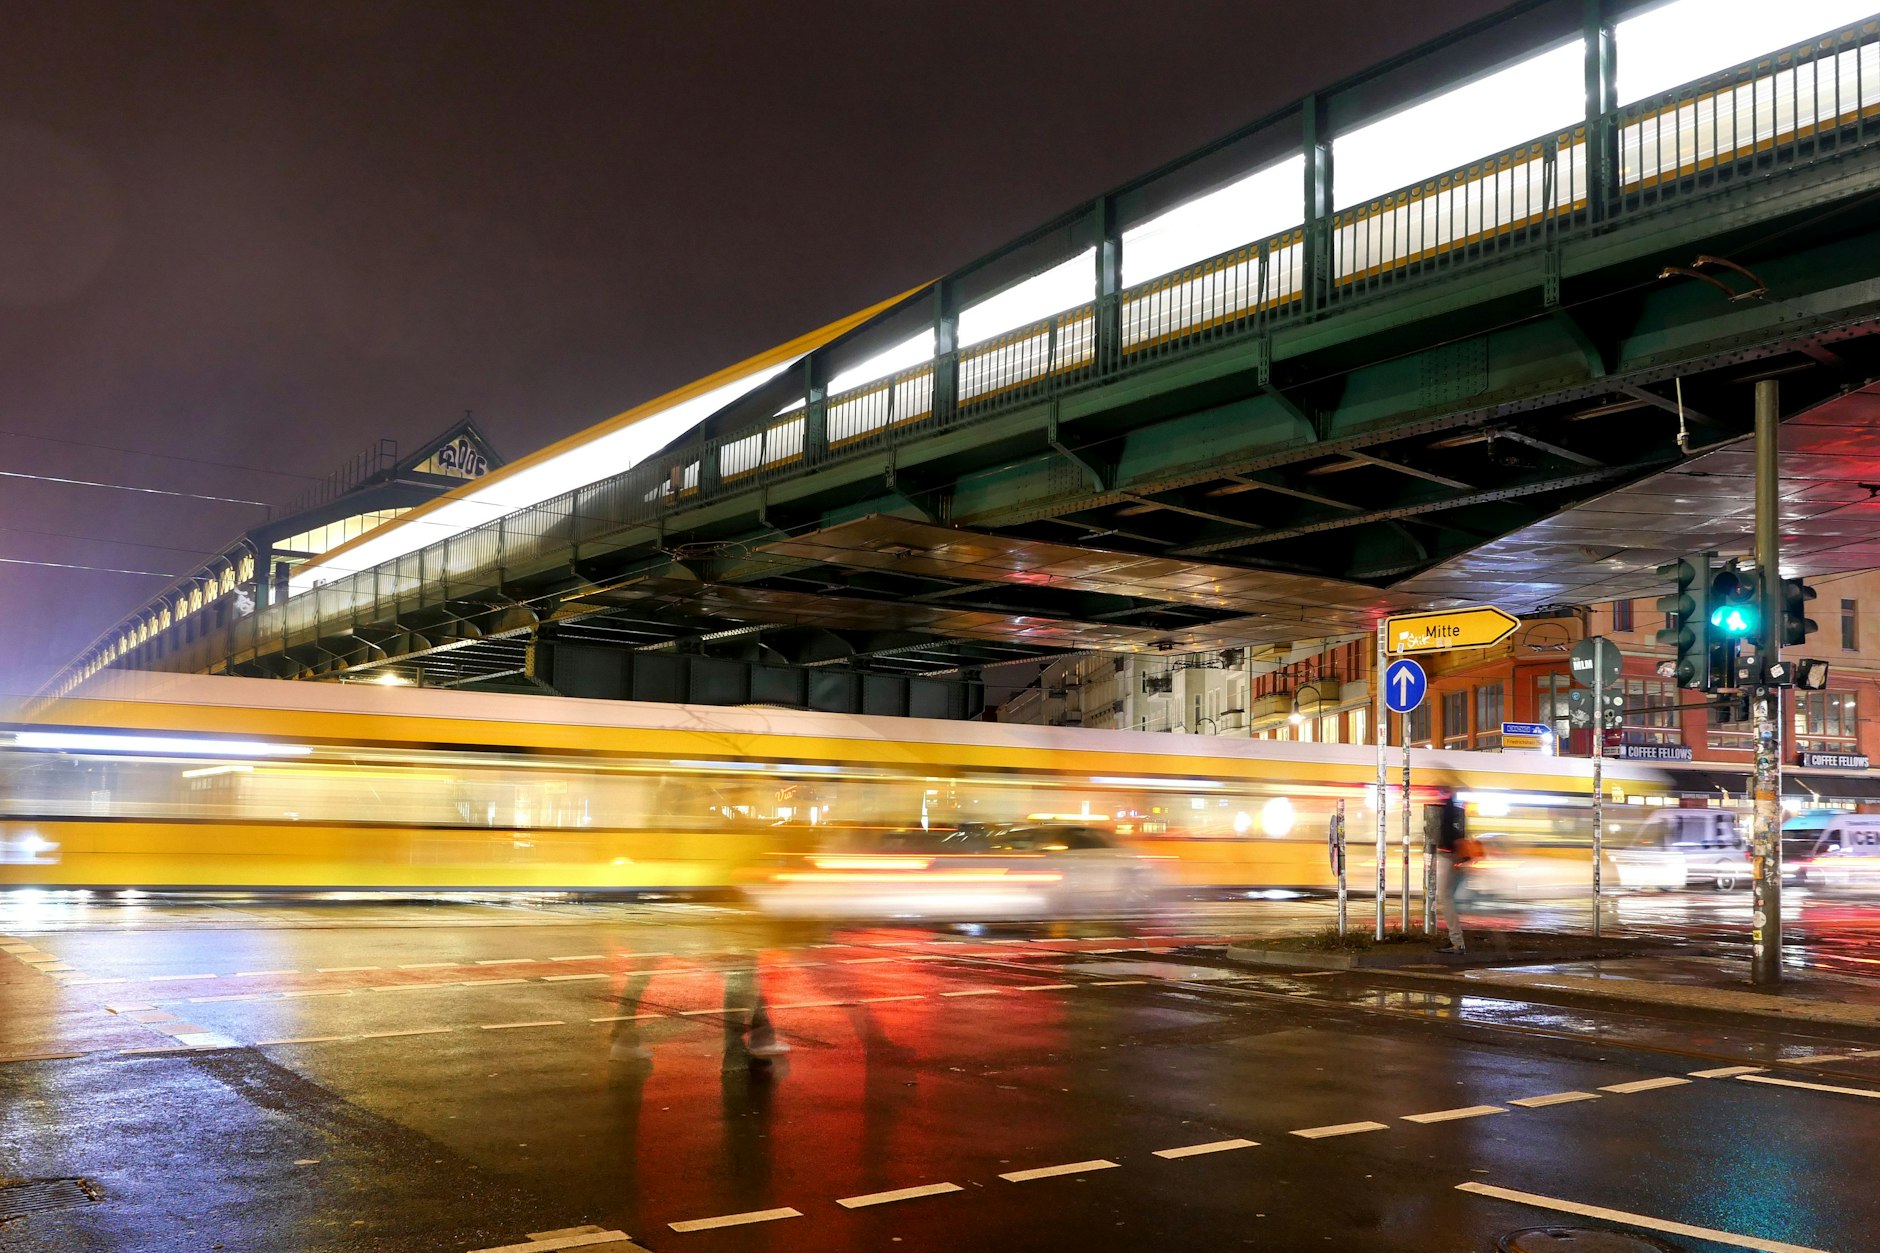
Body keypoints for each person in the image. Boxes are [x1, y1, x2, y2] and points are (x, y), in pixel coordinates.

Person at [1433, 794, 1479, 955]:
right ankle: (1456, 939)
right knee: (1447, 898)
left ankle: (1457, 942)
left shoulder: (1448, 809)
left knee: (1445, 898)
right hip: (1454, 857)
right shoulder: (1456, 810)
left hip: (1449, 857)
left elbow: (1449, 834)